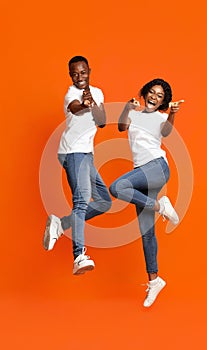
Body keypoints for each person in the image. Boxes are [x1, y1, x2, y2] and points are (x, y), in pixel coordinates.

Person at [109, 78, 184, 307]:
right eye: (151, 92)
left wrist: (172, 113)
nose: (154, 97)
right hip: (140, 173)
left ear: (163, 102)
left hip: (157, 168)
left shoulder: (161, 117)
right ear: (145, 93)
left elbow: (167, 132)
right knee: (147, 232)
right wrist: (127, 108)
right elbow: (122, 127)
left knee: (117, 187)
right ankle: (155, 280)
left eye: (159, 96)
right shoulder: (135, 113)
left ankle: (162, 206)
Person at [43, 56, 112, 275]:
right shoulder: (71, 95)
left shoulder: (98, 92)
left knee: (103, 201)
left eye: (82, 72)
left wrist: (93, 101)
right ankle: (79, 255)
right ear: (70, 75)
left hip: (85, 153)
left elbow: (101, 121)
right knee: (81, 201)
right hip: (72, 152)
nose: (78, 77)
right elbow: (75, 109)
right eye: (74, 73)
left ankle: (61, 225)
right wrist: (84, 104)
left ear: (89, 71)